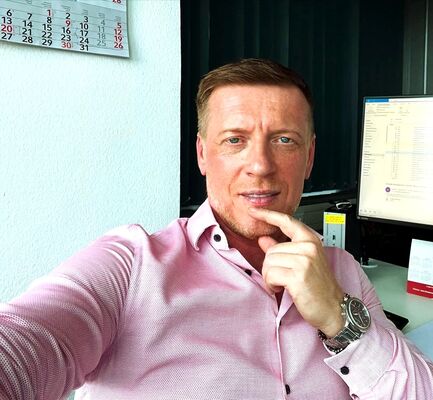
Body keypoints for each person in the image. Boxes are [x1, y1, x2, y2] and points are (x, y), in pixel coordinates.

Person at [0, 58, 432, 400]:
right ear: (203, 155)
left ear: (310, 158)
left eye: (284, 139)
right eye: (234, 140)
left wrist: (340, 319)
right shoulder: (131, 266)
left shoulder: (341, 270)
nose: (260, 166)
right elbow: (23, 344)